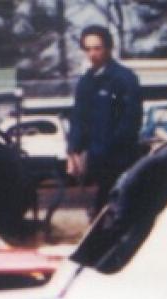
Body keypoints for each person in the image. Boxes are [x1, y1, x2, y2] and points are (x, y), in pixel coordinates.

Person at [68, 25, 142, 216]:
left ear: (108, 48)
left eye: (97, 48)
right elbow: (78, 117)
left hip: (119, 161)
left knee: (118, 212)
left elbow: (130, 122)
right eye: (88, 49)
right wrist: (73, 150)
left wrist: (107, 150)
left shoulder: (125, 79)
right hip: (96, 162)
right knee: (100, 212)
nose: (92, 54)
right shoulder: (86, 81)